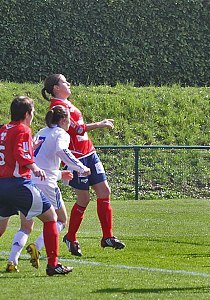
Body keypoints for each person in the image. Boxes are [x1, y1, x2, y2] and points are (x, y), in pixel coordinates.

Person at [41, 74, 125, 256]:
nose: (68, 84)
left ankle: (107, 237)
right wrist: (100, 124)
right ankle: (71, 237)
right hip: (77, 158)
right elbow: (76, 129)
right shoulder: (57, 107)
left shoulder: (66, 103)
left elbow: (78, 129)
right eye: (64, 82)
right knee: (84, 199)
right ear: (56, 87)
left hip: (89, 153)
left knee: (105, 192)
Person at [6, 105, 91, 272]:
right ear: (63, 120)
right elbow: (62, 150)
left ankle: (12, 260)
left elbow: (40, 160)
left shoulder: (42, 132)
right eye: (69, 120)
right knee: (60, 220)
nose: (70, 124)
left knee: (25, 226)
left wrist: (60, 174)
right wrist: (81, 167)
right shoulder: (61, 134)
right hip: (46, 184)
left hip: (29, 181)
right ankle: (38, 247)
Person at [0, 96, 72, 275]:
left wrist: (31, 146)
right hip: (18, 184)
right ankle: (53, 264)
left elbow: (10, 151)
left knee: (2, 228)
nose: (33, 115)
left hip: (2, 184)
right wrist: (34, 166)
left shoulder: (4, 129)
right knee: (51, 218)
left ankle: (15, 258)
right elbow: (19, 153)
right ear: (27, 114)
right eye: (32, 112)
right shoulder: (23, 129)